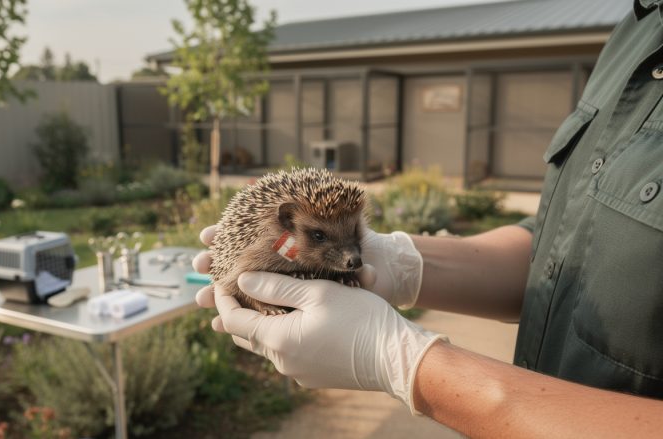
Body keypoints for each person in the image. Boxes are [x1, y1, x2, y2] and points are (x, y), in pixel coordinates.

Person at [192, 1, 663, 436]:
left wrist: (410, 365)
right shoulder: (637, 28)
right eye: (323, 237)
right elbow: (566, 244)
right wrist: (408, 262)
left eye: (354, 235)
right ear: (286, 223)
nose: (352, 253)